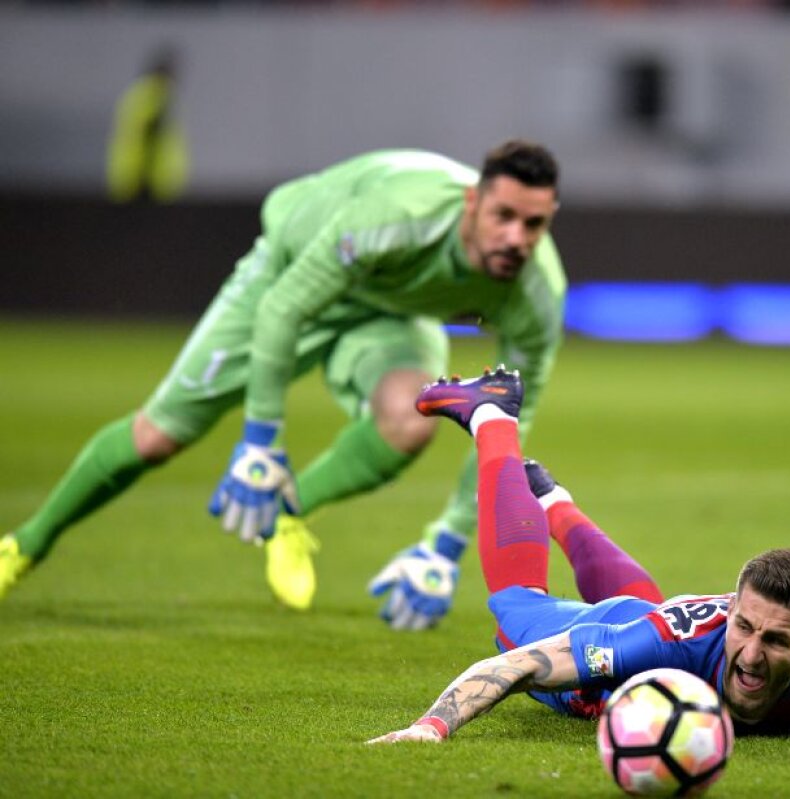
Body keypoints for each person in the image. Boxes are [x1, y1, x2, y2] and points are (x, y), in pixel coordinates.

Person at [0, 141, 566, 629]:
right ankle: (24, 545)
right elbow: (285, 306)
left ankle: (288, 515)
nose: (517, 237)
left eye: (534, 224)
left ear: (551, 218)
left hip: (389, 312)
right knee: (159, 436)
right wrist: (260, 441)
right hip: (289, 274)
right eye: (503, 216)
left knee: (411, 415)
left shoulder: (537, 295)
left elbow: (504, 421)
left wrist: (448, 543)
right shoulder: (397, 217)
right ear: (472, 201)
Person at [367, 367, 790, 744]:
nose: (749, 653)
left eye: (776, 642)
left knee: (646, 608)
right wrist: (430, 727)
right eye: (744, 627)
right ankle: (489, 414)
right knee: (514, 606)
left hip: (653, 620)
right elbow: (521, 665)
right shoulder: (662, 649)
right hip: (613, 640)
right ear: (733, 611)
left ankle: (554, 501)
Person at [106, 45, 190, 204]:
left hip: (133, 182)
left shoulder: (138, 96)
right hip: (145, 186)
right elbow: (149, 140)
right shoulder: (155, 100)